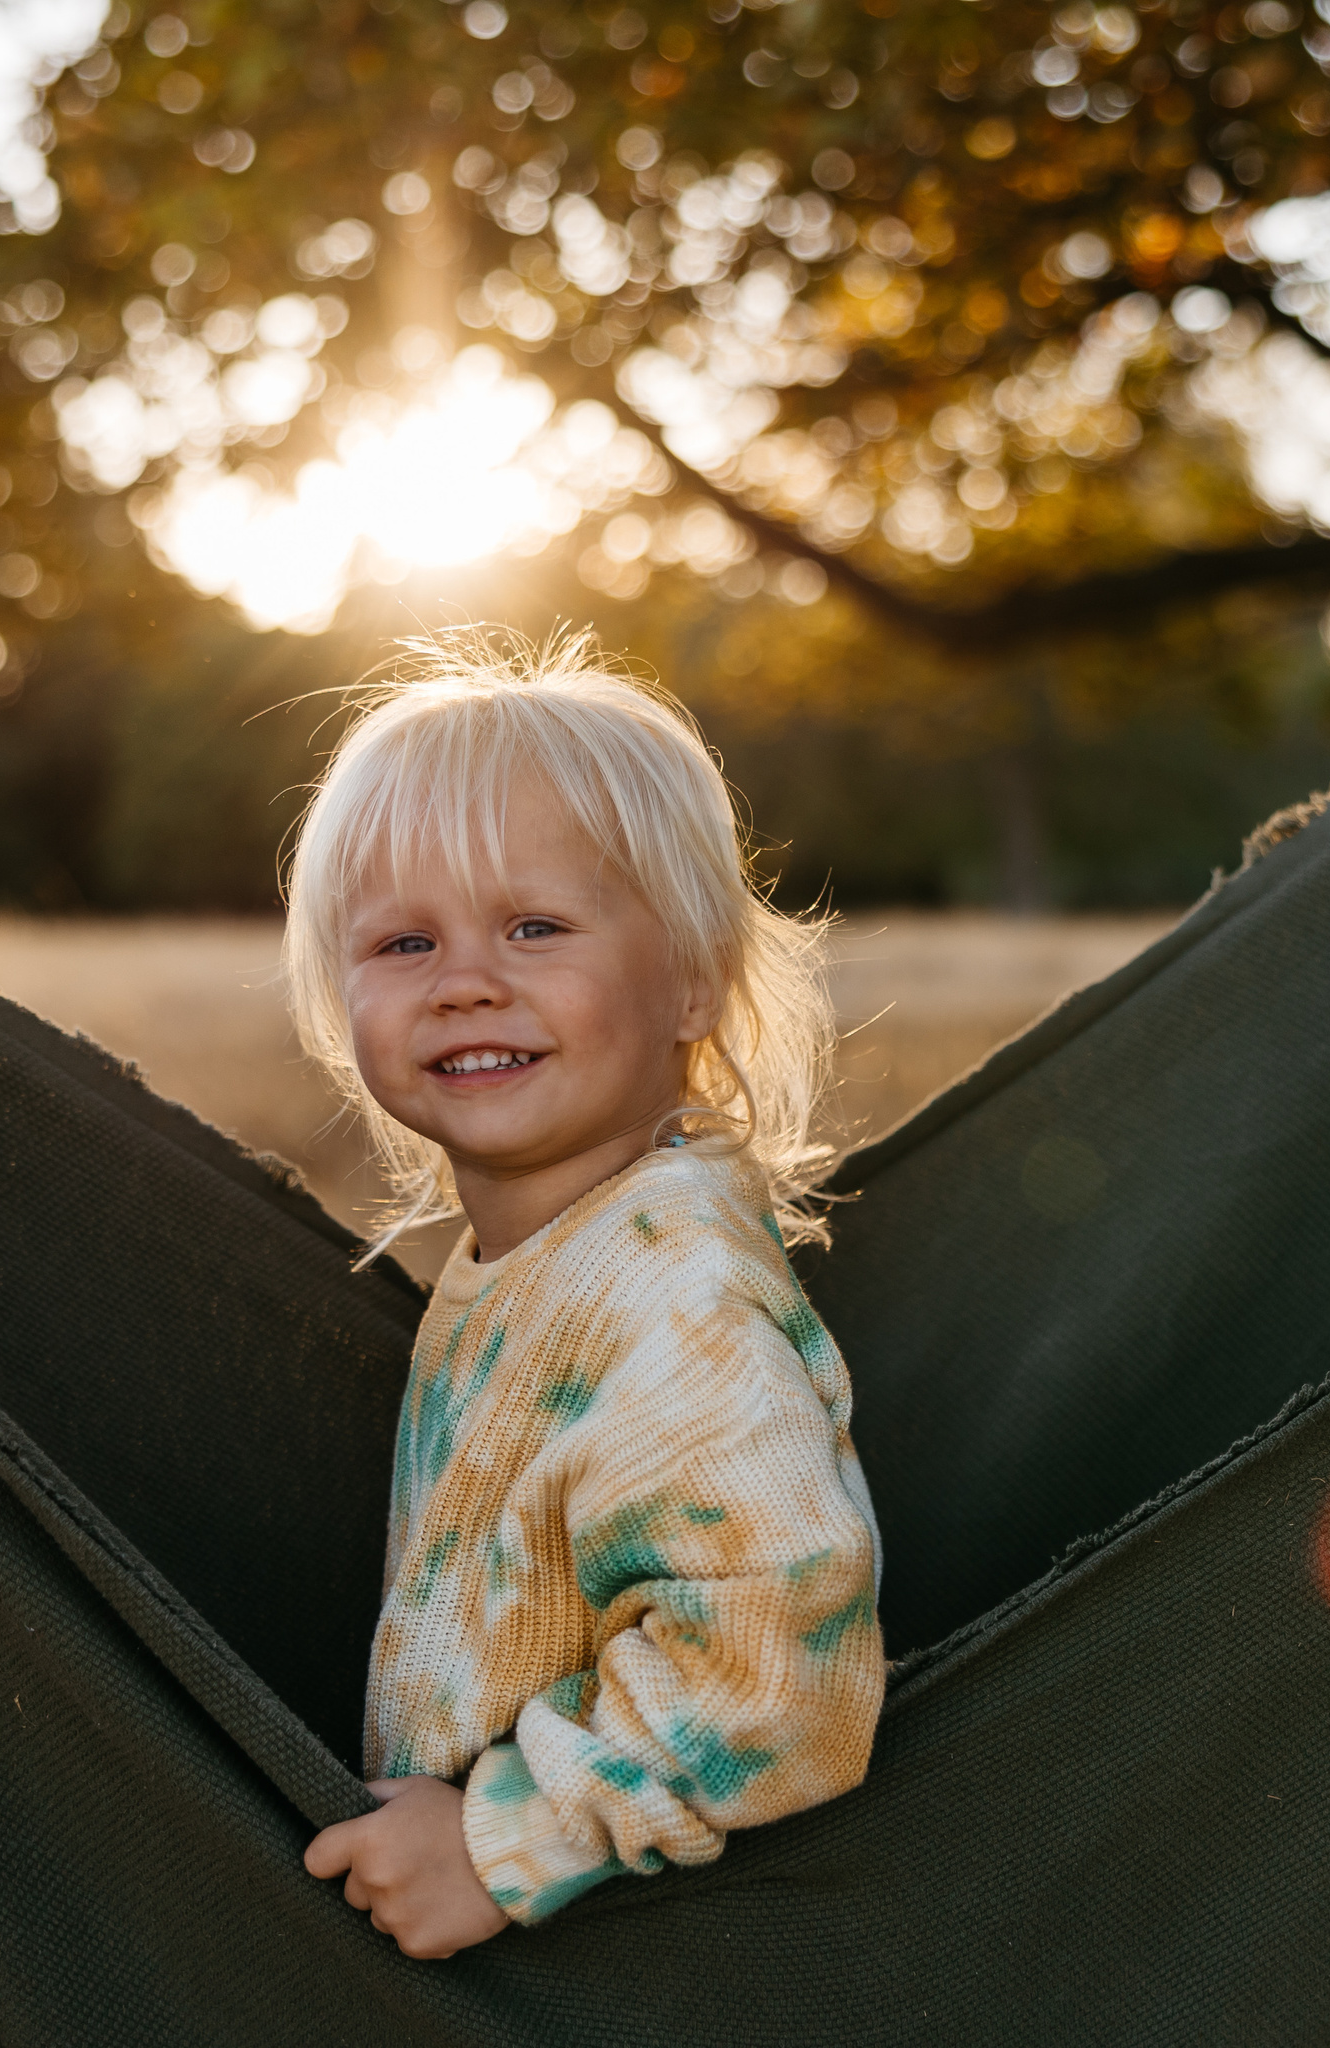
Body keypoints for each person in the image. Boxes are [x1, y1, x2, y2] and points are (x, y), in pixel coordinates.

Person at [290, 629, 884, 1958]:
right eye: (401, 941)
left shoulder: (675, 1295)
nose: (464, 981)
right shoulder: (543, 1252)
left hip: (607, 1963)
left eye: (535, 925)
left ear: (693, 979)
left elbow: (778, 1667)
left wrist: (503, 1841)